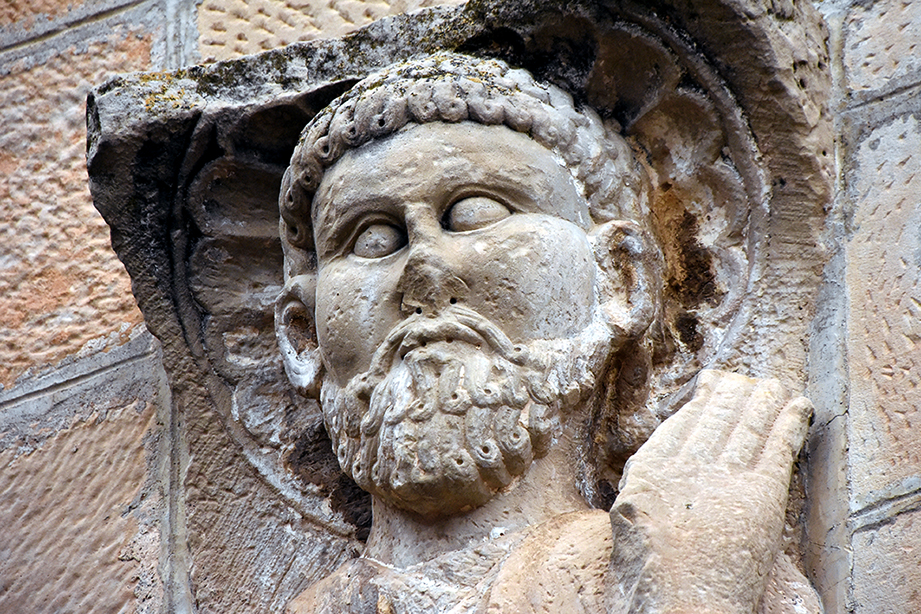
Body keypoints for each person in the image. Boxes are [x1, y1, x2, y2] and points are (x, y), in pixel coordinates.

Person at [274, 53, 822, 613]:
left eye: (474, 213)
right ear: (304, 338)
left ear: (620, 280)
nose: (425, 272)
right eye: (372, 240)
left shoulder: (690, 556)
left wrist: (687, 587)